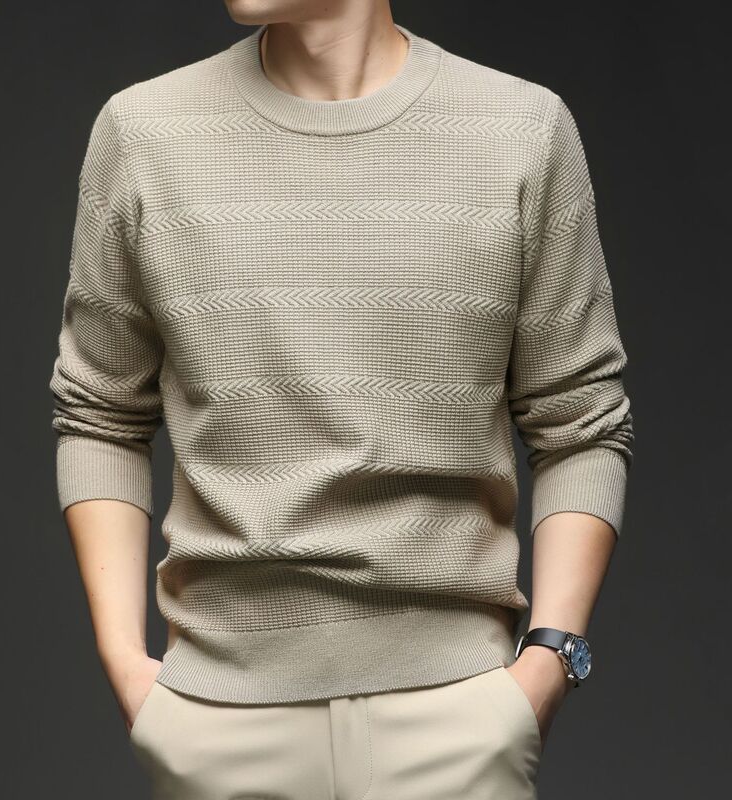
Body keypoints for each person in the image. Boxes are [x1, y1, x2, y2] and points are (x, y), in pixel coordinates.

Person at [48, 1, 634, 797]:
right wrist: (127, 667)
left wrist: (549, 663)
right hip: (218, 726)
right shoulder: (144, 134)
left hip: (458, 723)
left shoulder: (521, 131)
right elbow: (99, 413)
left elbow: (581, 422)